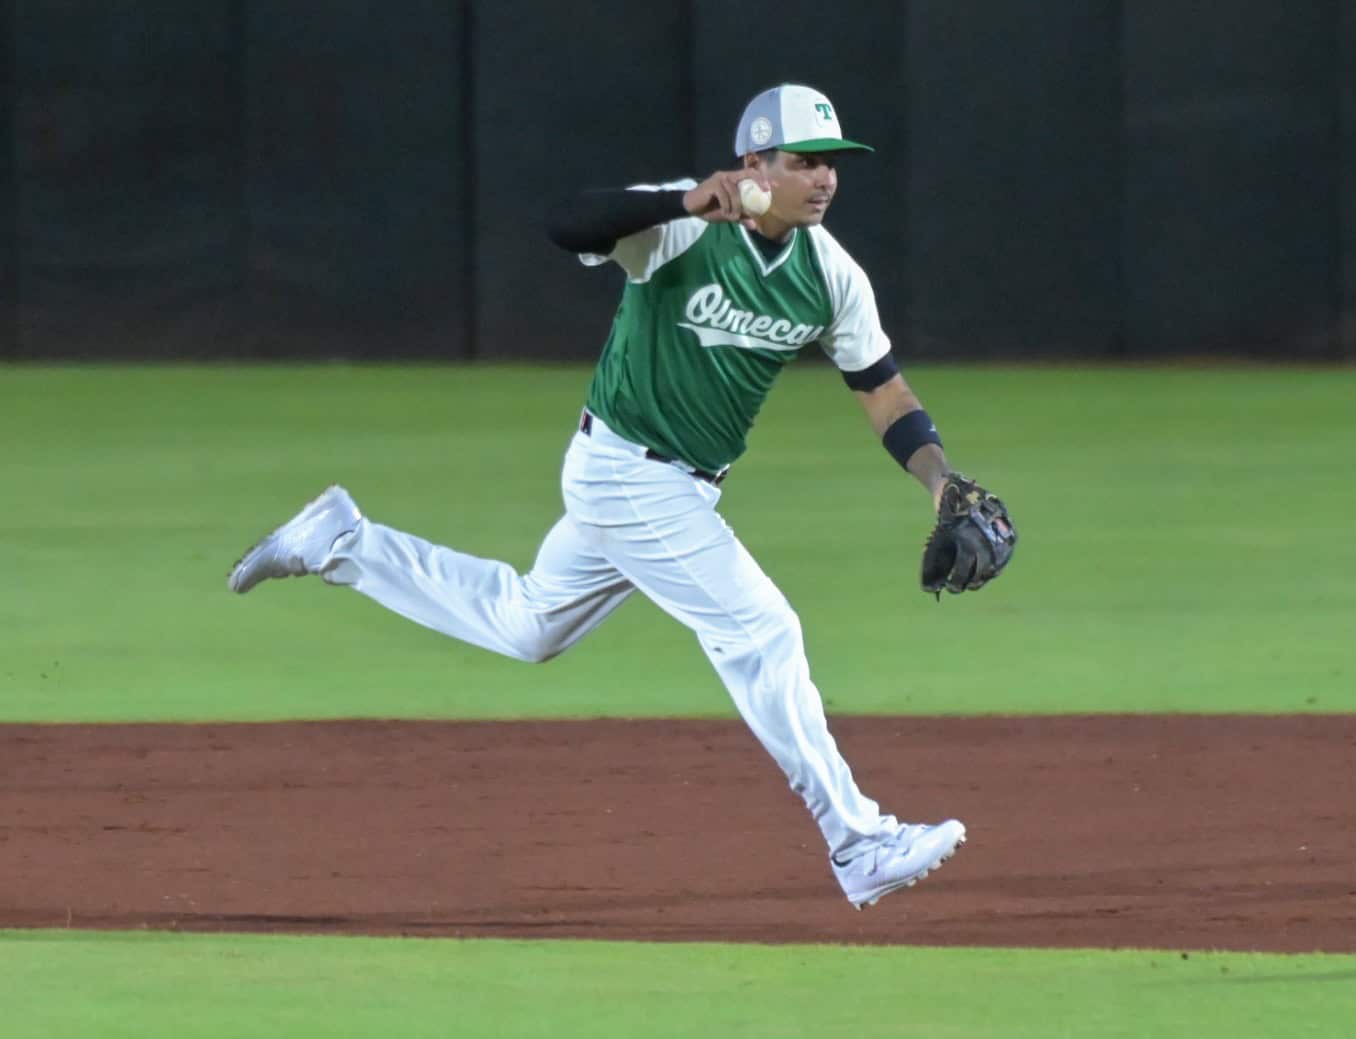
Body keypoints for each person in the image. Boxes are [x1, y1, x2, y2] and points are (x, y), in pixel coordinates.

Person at [229, 84, 985, 908]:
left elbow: (885, 393)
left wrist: (940, 481)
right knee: (761, 630)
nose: (825, 178)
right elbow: (567, 222)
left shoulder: (830, 274)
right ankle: (859, 842)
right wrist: (680, 200)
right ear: (754, 165)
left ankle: (343, 542)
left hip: (676, 487)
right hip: (627, 470)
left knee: (527, 625)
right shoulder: (684, 224)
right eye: (806, 161)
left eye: (833, 163)